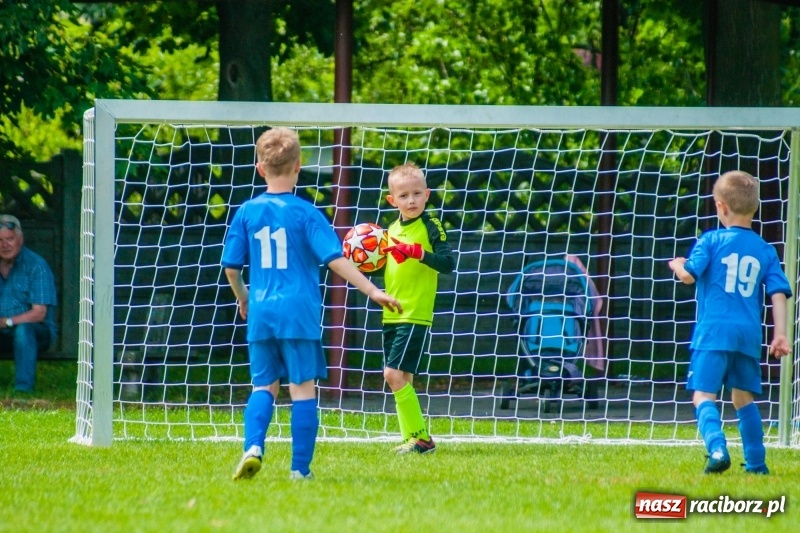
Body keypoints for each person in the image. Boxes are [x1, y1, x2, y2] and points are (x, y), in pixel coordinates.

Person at [222, 127, 402, 481]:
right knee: (302, 389)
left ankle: (254, 446)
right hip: (298, 313)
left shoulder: (246, 212)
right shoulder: (307, 213)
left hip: (260, 311)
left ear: (260, 168)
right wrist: (372, 290)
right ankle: (300, 471)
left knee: (264, 386)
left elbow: (230, 268)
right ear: (298, 166)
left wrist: (244, 298)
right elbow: (335, 259)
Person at [668, 170, 792, 475]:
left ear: (720, 206)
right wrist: (780, 334)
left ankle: (717, 447)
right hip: (748, 334)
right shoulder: (765, 250)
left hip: (714, 331)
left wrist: (677, 265)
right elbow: (778, 294)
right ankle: (757, 465)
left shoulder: (710, 240)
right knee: (743, 398)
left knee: (702, 395)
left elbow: (688, 277)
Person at [381, 163, 456, 454]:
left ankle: (423, 439)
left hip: (415, 312)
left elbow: (448, 263)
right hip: (392, 311)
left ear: (427, 195)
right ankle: (411, 438)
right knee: (404, 378)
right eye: (403, 196)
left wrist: (418, 253)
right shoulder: (392, 229)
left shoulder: (430, 224)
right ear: (392, 200)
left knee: (392, 375)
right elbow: (389, 270)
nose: (410, 201)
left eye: (416, 194)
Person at [0, 215, 58, 395]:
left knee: (23, 331)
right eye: (0, 241)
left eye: (9, 239)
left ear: (20, 239)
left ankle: (22, 391)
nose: (5, 245)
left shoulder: (36, 265)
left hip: (36, 332)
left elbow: (39, 313)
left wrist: (7, 321)